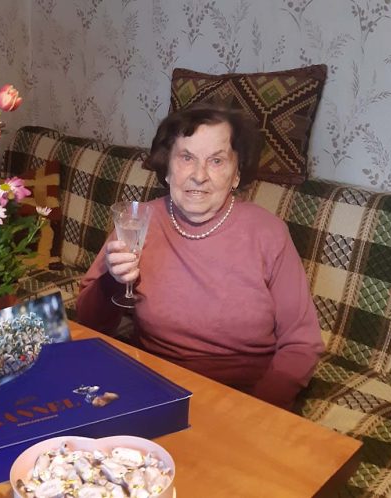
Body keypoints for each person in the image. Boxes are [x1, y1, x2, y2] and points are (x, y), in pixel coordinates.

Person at [76, 105, 323, 410]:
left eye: (216, 161)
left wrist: (260, 409)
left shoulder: (268, 233)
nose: (199, 175)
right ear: (167, 169)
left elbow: (301, 343)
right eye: (186, 158)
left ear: (236, 174)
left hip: (243, 395)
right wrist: (111, 282)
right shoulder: (137, 222)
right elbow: (89, 322)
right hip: (153, 384)